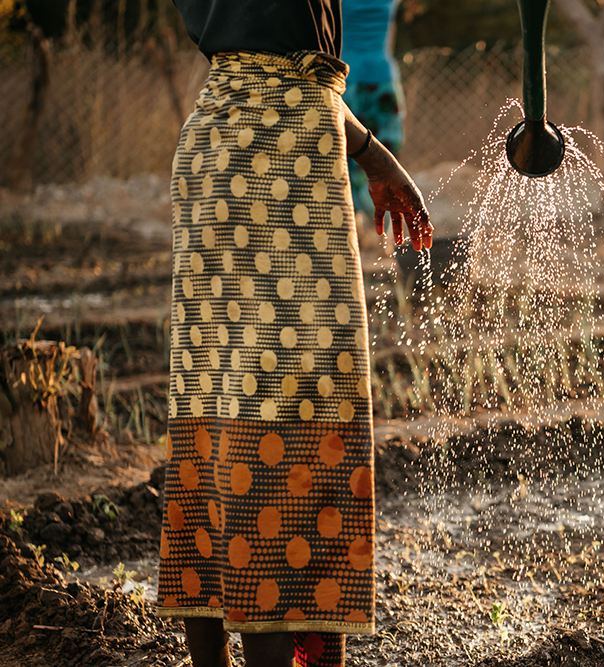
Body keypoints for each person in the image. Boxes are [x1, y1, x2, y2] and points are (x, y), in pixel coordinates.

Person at [155, 3, 432, 667]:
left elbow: (268, 55)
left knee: (216, 409)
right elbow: (290, 72)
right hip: (288, 157)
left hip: (214, 140)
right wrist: (371, 150)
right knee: (299, 414)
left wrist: (369, 149)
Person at [340, 0, 405, 223]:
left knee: (348, 156)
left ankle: (357, 223)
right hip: (384, 79)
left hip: (348, 80)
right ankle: (384, 228)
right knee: (386, 156)